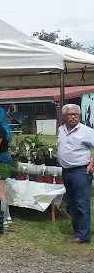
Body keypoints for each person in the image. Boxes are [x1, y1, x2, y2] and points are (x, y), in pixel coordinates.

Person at [57, 103, 94, 244]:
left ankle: (83, 235)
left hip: (80, 172)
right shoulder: (61, 130)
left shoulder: (86, 131)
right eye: (70, 114)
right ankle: (76, 232)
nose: (73, 117)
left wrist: (92, 164)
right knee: (71, 203)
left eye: (76, 114)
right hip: (66, 171)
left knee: (81, 203)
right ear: (64, 116)